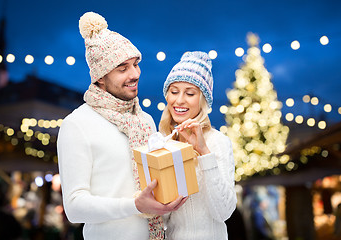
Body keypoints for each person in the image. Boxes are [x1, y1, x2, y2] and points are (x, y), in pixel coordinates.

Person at [57, 12, 186, 240]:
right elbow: (74, 207)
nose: (135, 74)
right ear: (99, 77)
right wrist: (135, 205)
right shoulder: (77, 124)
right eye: (122, 68)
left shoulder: (144, 120)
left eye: (135, 64)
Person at [159, 51, 237, 240]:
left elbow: (224, 212)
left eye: (190, 93)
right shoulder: (162, 141)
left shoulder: (217, 142)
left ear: (203, 100)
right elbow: (162, 218)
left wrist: (203, 152)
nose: (179, 100)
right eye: (174, 91)